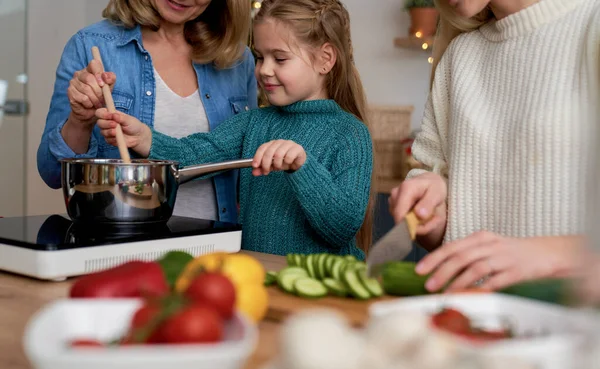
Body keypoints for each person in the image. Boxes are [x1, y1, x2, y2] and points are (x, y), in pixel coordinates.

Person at [94, 0, 375, 258]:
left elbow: (341, 228)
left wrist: (303, 167)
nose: (264, 70)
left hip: (321, 291)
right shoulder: (254, 122)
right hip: (261, 281)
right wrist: (145, 138)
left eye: (280, 58)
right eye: (260, 57)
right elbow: (196, 153)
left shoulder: (350, 134)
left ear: (325, 59)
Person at [389, 0, 600, 292]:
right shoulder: (459, 56)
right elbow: (452, 220)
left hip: (575, 330)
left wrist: (553, 255)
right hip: (469, 321)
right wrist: (434, 211)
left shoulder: (592, 23)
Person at [37, 0, 257, 223]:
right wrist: (80, 121)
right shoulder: (90, 44)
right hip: (120, 248)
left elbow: (249, 171)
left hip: (218, 248)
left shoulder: (237, 58)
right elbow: (53, 174)